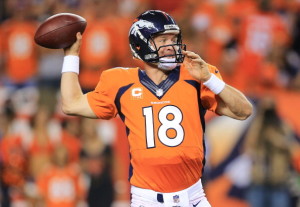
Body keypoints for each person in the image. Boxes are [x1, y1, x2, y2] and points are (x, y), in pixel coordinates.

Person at [60, 10, 252, 207]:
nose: (171, 46)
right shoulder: (120, 82)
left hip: (193, 197)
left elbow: (244, 111)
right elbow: (71, 104)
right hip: (147, 200)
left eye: (173, 38)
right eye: (162, 40)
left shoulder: (195, 75)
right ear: (140, 44)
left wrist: (210, 80)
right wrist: (72, 55)